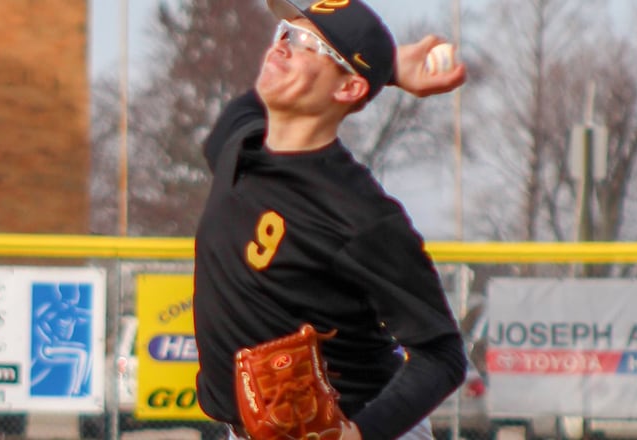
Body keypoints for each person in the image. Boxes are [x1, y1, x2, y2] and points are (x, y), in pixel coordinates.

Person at [192, 0, 468, 439]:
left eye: (305, 43)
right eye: (285, 32)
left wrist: (362, 432)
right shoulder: (238, 146)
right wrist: (390, 66)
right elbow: (246, 107)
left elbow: (442, 353)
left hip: (359, 425)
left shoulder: (358, 214)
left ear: (348, 90)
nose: (282, 47)